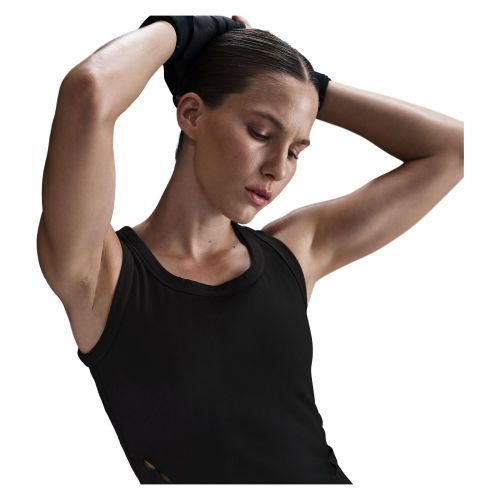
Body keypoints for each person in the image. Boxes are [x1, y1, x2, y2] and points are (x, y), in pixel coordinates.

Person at [36, 15, 463, 484]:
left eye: (296, 150)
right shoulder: (101, 275)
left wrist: (306, 86)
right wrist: (180, 32)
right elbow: (88, 91)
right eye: (261, 133)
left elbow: (456, 149)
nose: (278, 168)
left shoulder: (293, 255)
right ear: (191, 114)